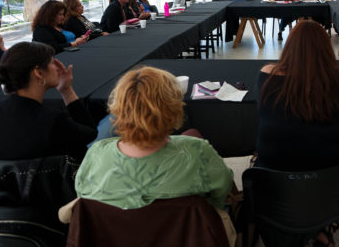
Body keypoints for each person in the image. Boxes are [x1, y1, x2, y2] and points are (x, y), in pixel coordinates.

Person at [74, 66, 233, 218]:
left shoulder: (96, 153)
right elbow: (222, 191)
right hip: (186, 235)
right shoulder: (197, 151)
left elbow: (83, 194)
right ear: (174, 108)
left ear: (119, 109)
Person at [256, 20, 339, 245]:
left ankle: (301, 232)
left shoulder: (267, 75)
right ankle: (317, 230)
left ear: (289, 46)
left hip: (274, 175)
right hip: (329, 178)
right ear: (325, 48)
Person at [0, 42, 97, 160]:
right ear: (38, 73)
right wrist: (67, 90)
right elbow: (91, 134)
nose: (57, 67)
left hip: (0, 177)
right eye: (52, 62)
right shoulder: (53, 120)